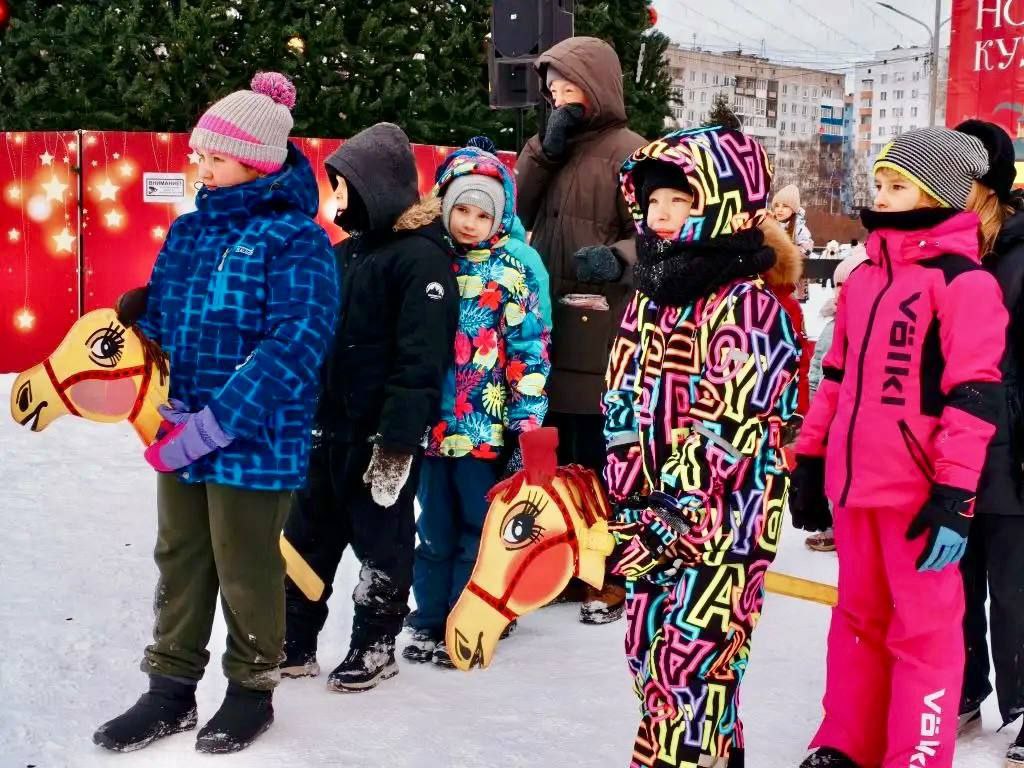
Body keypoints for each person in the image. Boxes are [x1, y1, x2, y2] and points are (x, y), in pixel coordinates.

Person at [94, 73, 340, 754]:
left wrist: (220, 421)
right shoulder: (189, 231)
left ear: (258, 162)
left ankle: (250, 691)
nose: (201, 167)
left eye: (216, 157)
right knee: (180, 555)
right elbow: (173, 324)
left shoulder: (296, 241)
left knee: (245, 563)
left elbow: (295, 345)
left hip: (256, 439)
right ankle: (169, 690)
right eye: (198, 154)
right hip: (181, 428)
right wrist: (144, 320)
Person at [790, 127, 1006, 768]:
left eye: (898, 186)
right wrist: (812, 459)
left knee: (926, 632)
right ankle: (845, 741)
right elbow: (836, 378)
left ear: (940, 194)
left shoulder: (965, 284)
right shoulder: (863, 280)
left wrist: (954, 495)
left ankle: (917, 753)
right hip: (856, 487)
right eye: (879, 184)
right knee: (856, 619)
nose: (880, 197)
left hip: (919, 493)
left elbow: (973, 397)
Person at [603, 126, 801, 768]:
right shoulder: (651, 298)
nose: (661, 214)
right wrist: (627, 486)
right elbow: (620, 394)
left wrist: (679, 503)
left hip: (725, 519)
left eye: (680, 200)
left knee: (694, 664)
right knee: (646, 651)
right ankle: (713, 757)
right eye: (653, 201)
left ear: (722, 204)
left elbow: (730, 421)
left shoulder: (749, 306)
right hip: (650, 513)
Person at [280, 123, 459, 692]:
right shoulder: (342, 255)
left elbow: (420, 360)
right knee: (305, 539)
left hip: (380, 438)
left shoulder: (421, 261)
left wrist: (398, 444)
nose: (335, 197)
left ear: (375, 187)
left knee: (383, 545)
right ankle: (293, 640)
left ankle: (374, 645)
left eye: (343, 186)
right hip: (324, 431)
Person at [516, 35, 646, 624]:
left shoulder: (633, 152)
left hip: (601, 328)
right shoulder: (546, 148)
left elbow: (659, 232)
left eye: (570, 87)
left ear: (596, 87)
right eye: (553, 90)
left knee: (600, 455)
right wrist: (545, 152)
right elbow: (510, 211)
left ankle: (608, 571)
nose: (560, 98)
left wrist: (617, 258)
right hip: (543, 322)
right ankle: (563, 563)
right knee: (555, 455)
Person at [404, 141, 551, 668]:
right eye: (461, 209)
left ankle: (469, 618)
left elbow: (529, 349)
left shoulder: (513, 271)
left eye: (483, 214)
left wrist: (526, 423)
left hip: (485, 428)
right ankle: (428, 616)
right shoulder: (429, 262)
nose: (470, 222)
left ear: (499, 217)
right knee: (432, 527)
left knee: (478, 528)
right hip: (432, 427)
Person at [954, 119, 1024, 760]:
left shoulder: (1019, 254)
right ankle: (966, 688)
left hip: (1011, 448)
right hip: (953, 448)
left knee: (1014, 589)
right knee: (956, 584)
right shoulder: (942, 252)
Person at [804, 248, 868, 554]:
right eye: (838, 285)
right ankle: (833, 526)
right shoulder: (833, 323)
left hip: (850, 413)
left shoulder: (861, 322)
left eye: (848, 284)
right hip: (827, 409)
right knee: (831, 470)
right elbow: (818, 368)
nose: (842, 291)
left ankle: (843, 529)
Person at [768, 184, 814, 431]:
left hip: (786, 286)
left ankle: (793, 408)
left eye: (785, 206)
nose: (779, 210)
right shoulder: (767, 225)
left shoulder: (798, 228)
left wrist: (793, 252)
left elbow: (800, 361)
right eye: (776, 205)